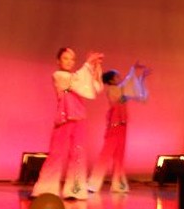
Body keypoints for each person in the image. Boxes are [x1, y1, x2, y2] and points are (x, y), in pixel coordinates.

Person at [31, 47, 104, 200]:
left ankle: (74, 190)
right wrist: (88, 64)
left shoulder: (77, 78)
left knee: (78, 154)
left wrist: (96, 67)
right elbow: (76, 80)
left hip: (79, 118)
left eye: (72, 59)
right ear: (58, 61)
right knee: (56, 153)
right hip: (64, 118)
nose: (70, 62)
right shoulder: (59, 75)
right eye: (66, 58)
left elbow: (96, 88)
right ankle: (45, 189)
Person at [88, 62, 150, 193]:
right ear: (111, 80)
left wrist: (141, 78)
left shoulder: (121, 90)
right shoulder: (113, 90)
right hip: (114, 125)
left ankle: (119, 185)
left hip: (122, 125)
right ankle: (93, 183)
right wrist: (133, 70)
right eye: (117, 77)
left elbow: (135, 93)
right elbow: (126, 88)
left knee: (119, 156)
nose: (120, 78)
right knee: (105, 154)